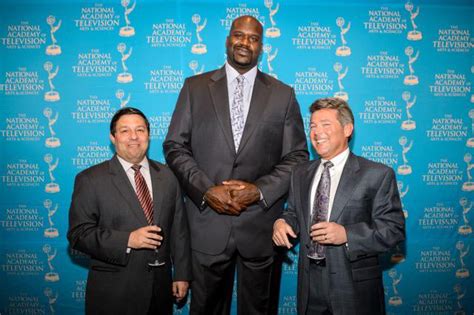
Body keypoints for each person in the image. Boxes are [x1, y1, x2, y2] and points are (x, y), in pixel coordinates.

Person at [163, 15, 308, 315]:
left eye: (253, 38)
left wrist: (258, 191)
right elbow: (175, 146)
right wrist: (206, 191)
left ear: (261, 46)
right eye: (239, 35)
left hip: (260, 228)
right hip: (207, 226)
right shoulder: (195, 87)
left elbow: (297, 156)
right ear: (228, 40)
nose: (245, 42)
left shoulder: (283, 95)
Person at [273, 97, 405, 315]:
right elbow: (294, 213)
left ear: (347, 129)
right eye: (313, 126)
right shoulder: (300, 173)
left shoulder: (377, 174)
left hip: (353, 287)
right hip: (309, 286)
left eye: (326, 124)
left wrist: (347, 234)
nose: (316, 132)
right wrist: (282, 221)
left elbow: (393, 230)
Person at [67, 107, 191, 315]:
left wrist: (181, 274)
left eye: (140, 130)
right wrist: (128, 240)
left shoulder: (168, 176)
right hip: (114, 294)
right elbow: (78, 235)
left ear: (148, 136)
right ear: (113, 137)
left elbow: (179, 230)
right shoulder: (90, 179)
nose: (133, 137)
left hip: (160, 292)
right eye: (125, 131)